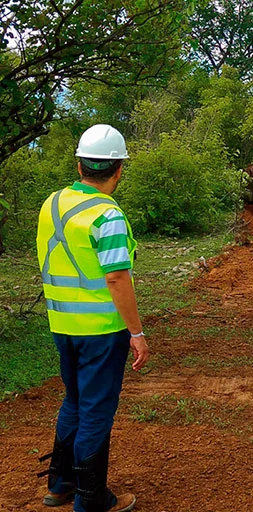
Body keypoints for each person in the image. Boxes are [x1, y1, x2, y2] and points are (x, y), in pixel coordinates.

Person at [36, 124, 149, 512]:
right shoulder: (107, 214)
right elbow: (116, 277)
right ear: (119, 169)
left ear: (79, 165)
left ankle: (60, 484)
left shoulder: (52, 203)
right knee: (96, 412)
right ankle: (91, 499)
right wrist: (136, 332)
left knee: (74, 402)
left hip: (62, 325)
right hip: (101, 331)